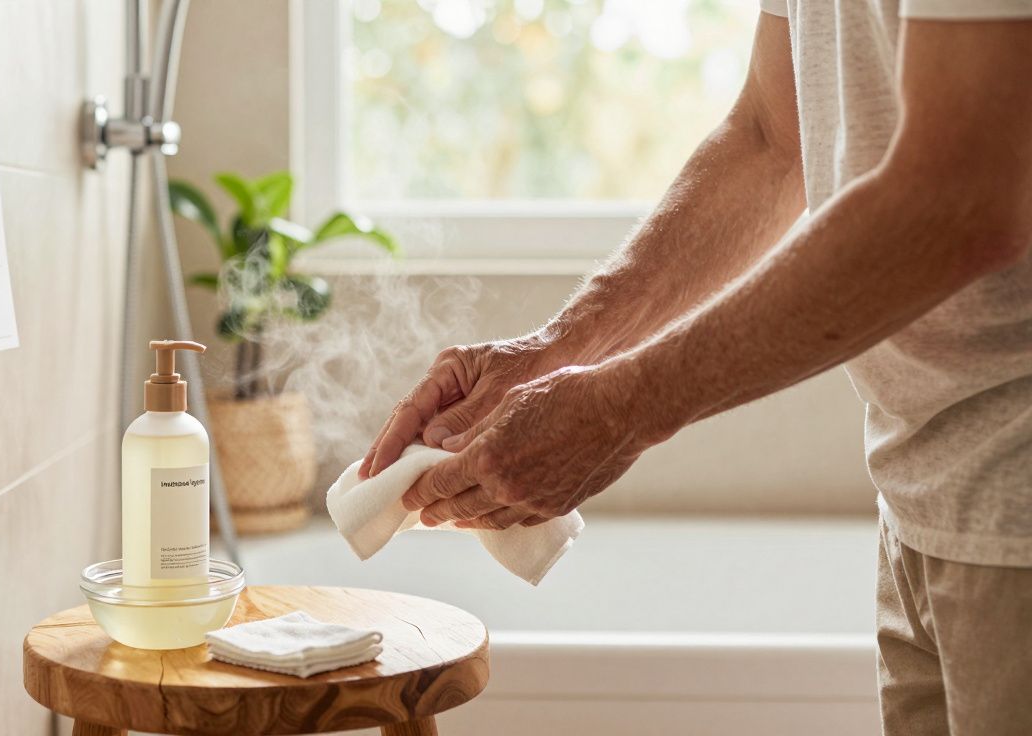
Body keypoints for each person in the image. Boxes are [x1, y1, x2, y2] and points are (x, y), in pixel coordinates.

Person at [360, 2, 1032, 734]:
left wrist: (619, 412)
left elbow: (960, 194)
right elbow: (772, 138)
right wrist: (554, 354)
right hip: (919, 494)